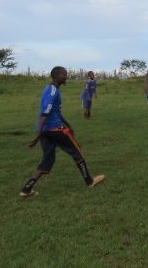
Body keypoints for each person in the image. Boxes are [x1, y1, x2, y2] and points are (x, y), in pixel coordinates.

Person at [19, 66, 105, 197]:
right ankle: (90, 181)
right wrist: (37, 137)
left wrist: (67, 125)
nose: (66, 76)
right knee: (78, 153)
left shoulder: (49, 89)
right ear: (56, 76)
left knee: (48, 159)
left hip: (46, 131)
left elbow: (56, 112)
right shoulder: (53, 92)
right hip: (55, 129)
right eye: (64, 74)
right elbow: (44, 114)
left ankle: (26, 189)